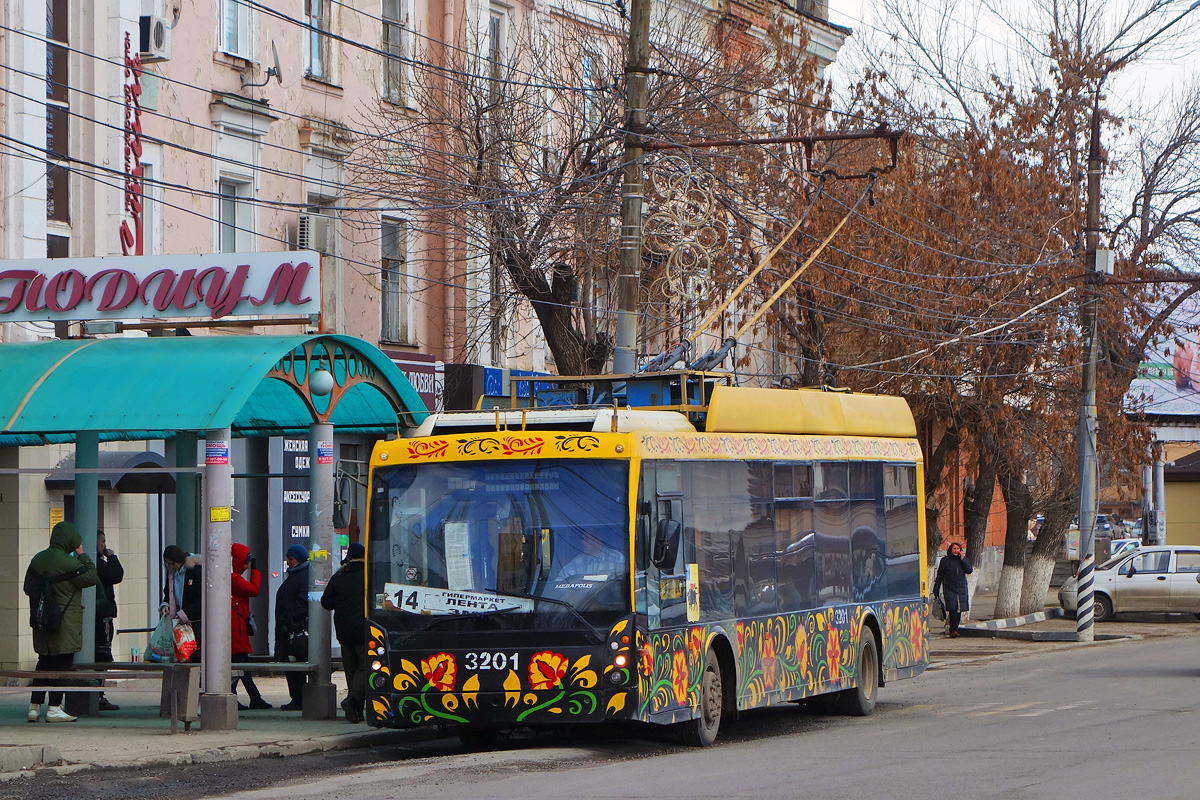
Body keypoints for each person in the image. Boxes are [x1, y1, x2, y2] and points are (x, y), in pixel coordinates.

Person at [23, 521, 100, 723]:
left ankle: (34, 707)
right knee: (62, 665)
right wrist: (81, 553)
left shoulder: (37, 560)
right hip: (65, 624)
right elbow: (92, 577)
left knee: (43, 662)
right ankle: (54, 708)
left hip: (42, 621)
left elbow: (27, 588)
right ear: (69, 541)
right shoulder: (71, 563)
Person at [321, 542, 366, 723]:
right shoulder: (368, 575)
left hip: (344, 631)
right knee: (366, 667)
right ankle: (353, 700)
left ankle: (355, 712)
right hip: (365, 630)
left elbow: (326, 603)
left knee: (351, 669)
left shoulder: (338, 576)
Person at [230, 543, 271, 711]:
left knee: (243, 666)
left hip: (236, 628)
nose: (246, 566)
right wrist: (256, 571)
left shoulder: (231, 577)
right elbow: (254, 590)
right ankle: (233, 697)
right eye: (245, 562)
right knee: (239, 666)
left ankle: (254, 697)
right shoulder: (233, 578)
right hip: (236, 630)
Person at [275, 544, 310, 711]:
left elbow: (303, 603)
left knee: (295, 664)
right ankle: (297, 698)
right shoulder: (296, 575)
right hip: (289, 628)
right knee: (291, 664)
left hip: (294, 630)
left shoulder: (302, 576)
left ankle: (298, 699)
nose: (288, 562)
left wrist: (289, 617)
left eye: (291, 559)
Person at [95, 530, 124, 711]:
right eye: (102, 542)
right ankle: (98, 695)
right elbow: (117, 575)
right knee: (102, 656)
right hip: (102, 617)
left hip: (99, 616)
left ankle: (98, 695)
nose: (105, 546)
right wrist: (112, 557)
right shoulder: (98, 564)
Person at [162, 544, 202, 662]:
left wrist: (185, 613)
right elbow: (169, 592)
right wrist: (166, 604)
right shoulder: (171, 574)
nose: (171, 567)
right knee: (181, 653)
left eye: (172, 564)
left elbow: (200, 597)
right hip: (180, 618)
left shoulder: (194, 571)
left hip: (195, 619)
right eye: (168, 564)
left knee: (194, 652)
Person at [933, 541, 974, 638]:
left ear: (960, 550)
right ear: (950, 550)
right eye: (954, 549)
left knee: (959, 610)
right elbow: (940, 575)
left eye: (958, 549)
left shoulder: (962, 560)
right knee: (953, 609)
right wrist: (936, 588)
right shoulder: (945, 560)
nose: (956, 551)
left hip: (961, 589)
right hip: (949, 588)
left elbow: (969, 570)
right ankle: (953, 630)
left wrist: (963, 559)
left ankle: (954, 629)